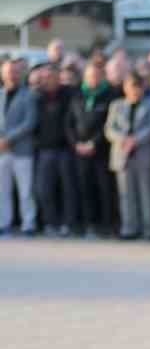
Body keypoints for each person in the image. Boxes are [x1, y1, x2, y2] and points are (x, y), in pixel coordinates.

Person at [105, 71, 150, 241]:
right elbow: (109, 129)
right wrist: (123, 139)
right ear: (125, 88)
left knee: (147, 193)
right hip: (122, 154)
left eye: (138, 87)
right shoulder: (116, 105)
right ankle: (129, 228)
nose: (135, 91)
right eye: (131, 87)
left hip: (143, 153)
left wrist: (136, 140)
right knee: (126, 194)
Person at [70, 61, 118, 238]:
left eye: (97, 76)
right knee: (85, 188)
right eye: (90, 76)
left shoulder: (110, 95)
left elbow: (108, 123)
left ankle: (107, 224)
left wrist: (94, 143)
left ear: (102, 77)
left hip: (101, 152)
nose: (93, 79)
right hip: (80, 151)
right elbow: (69, 123)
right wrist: (76, 143)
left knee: (105, 189)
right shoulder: (77, 95)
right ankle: (89, 223)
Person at [32, 64, 78, 238]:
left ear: (58, 77)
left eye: (50, 76)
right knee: (43, 189)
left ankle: (68, 224)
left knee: (68, 189)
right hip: (45, 150)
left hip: (66, 150)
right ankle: (51, 223)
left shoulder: (70, 94)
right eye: (44, 77)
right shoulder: (37, 97)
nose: (46, 80)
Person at [0, 58, 38, 236]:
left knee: (25, 191)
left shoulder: (29, 94)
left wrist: (8, 139)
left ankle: (28, 224)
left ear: (20, 74)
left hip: (22, 150)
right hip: (1, 151)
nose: (11, 75)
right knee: (2, 190)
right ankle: (3, 223)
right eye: (8, 72)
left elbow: (30, 122)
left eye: (14, 72)